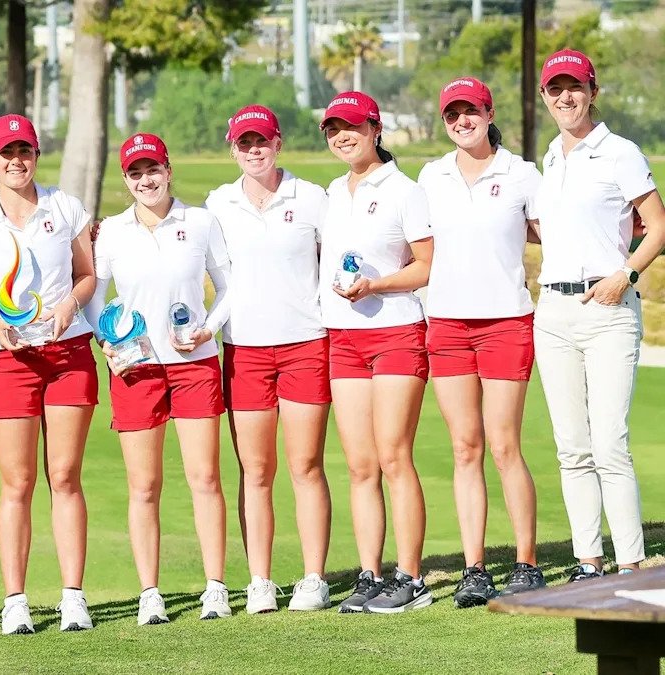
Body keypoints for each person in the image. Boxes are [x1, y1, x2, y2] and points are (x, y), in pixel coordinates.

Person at [0, 114, 98, 635]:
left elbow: (87, 274)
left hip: (67, 354)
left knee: (66, 476)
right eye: (6, 152)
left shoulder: (65, 207)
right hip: (8, 358)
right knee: (17, 482)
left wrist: (69, 305)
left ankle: (73, 595)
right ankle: (15, 600)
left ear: (36, 154)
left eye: (24, 151)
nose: (16, 160)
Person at [85, 133, 233, 625]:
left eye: (153, 170)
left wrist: (209, 328)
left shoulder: (200, 221)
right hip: (136, 367)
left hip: (194, 362)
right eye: (135, 173)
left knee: (204, 477)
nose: (145, 180)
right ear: (125, 180)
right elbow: (93, 296)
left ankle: (215, 587)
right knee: (144, 485)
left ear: (168, 171)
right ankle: (150, 592)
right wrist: (105, 341)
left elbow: (229, 287)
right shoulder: (112, 232)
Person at [533, 49, 665, 581]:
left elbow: (658, 226)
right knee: (572, 448)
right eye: (555, 88)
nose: (565, 97)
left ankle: (630, 561)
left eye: (575, 87)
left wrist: (624, 275)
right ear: (544, 96)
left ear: (593, 91)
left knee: (609, 444)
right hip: (553, 312)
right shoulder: (549, 158)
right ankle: (588, 559)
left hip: (608, 310)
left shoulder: (620, 153)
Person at [417, 78, 546, 606]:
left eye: (471, 111)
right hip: (447, 325)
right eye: (453, 114)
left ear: (490, 114)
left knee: (504, 445)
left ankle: (526, 563)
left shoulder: (521, 174)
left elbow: (553, 233)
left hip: (505, 323)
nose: (462, 121)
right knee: (464, 447)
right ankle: (475, 569)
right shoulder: (431, 176)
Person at [204, 106, 333, 612]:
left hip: (305, 343)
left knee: (306, 465)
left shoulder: (312, 198)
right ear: (233, 150)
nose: (254, 150)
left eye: (262, 141)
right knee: (255, 470)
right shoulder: (218, 204)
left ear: (278, 143)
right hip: (245, 349)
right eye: (244, 143)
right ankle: (260, 580)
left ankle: (314, 577)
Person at [318, 92, 434, 614]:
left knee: (393, 456)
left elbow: (426, 266)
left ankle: (411, 578)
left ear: (375, 128)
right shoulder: (331, 193)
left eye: (352, 127)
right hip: (343, 337)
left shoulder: (405, 191)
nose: (343, 136)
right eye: (333, 129)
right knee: (360, 464)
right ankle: (370, 575)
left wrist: (377, 284)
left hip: (395, 333)